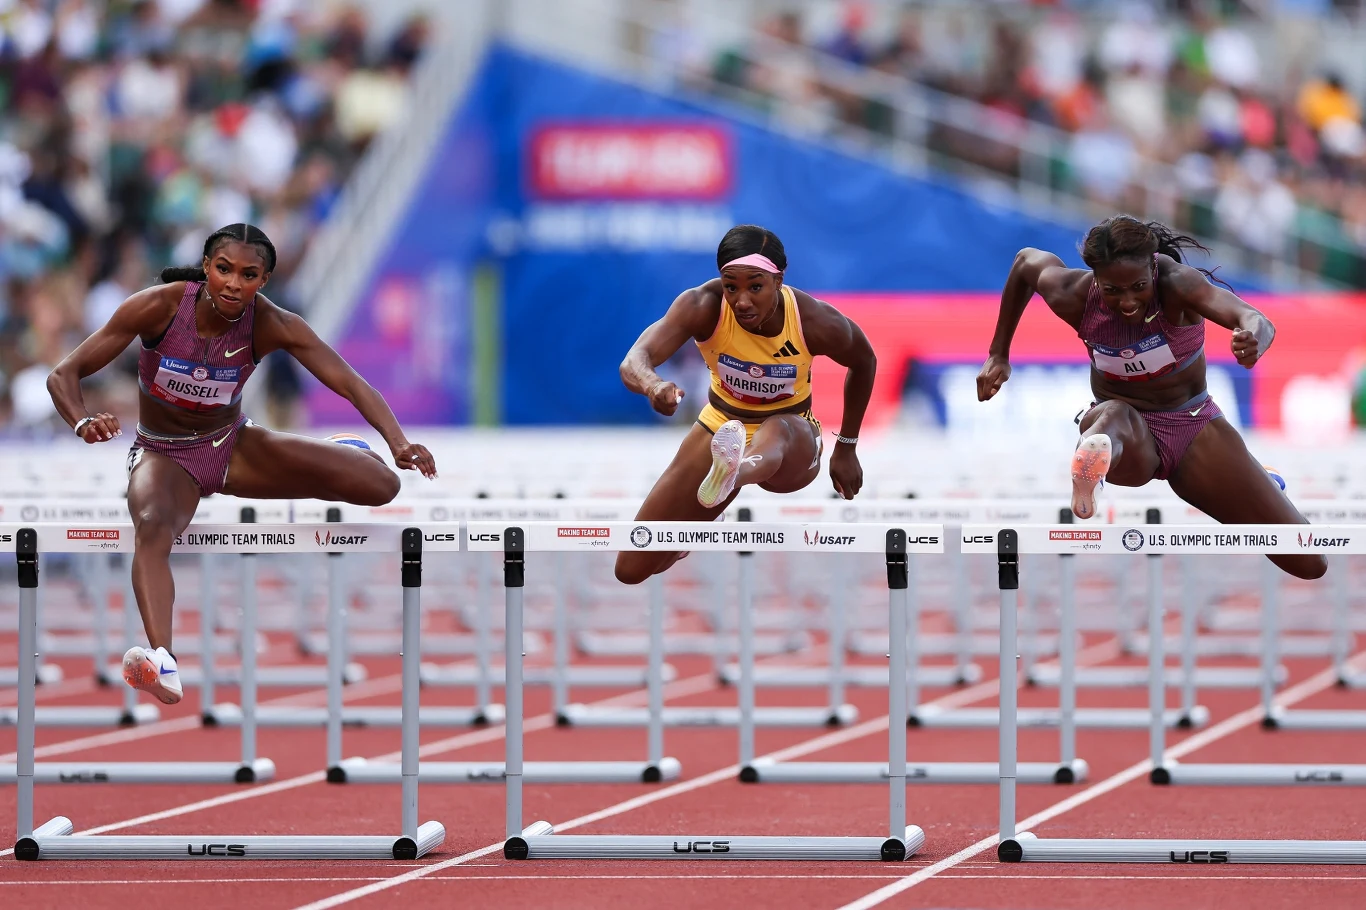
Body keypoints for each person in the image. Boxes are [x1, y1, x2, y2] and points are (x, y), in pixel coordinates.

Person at [46, 223, 437, 704]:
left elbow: (351, 382)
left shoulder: (272, 323)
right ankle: (162, 658)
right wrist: (83, 422)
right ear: (207, 267)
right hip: (163, 454)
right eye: (224, 270)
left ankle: (343, 451)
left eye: (248, 275)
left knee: (381, 486)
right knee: (152, 526)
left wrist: (398, 443)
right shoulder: (159, 306)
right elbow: (64, 374)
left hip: (230, 444)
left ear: (264, 281)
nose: (234, 284)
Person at [976, 214, 1325, 580]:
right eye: (1112, 290)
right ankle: (1092, 462)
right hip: (1129, 437)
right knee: (1112, 415)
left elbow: (1253, 317)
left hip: (1193, 427)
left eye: (1138, 287)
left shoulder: (1179, 285)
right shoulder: (1073, 294)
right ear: (1095, 278)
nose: (1127, 302)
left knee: (1308, 561)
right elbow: (1024, 262)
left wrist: (1253, 339)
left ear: (1152, 269)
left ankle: (1260, 480)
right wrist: (998, 353)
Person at [615, 224, 877, 584]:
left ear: (778, 281)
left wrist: (846, 447)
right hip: (721, 426)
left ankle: (733, 473)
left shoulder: (814, 320)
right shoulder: (701, 305)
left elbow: (864, 361)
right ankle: (714, 500)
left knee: (777, 429)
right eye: (731, 287)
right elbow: (634, 360)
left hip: (791, 440)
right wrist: (654, 386)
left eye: (756, 287)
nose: (741, 301)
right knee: (632, 568)